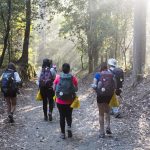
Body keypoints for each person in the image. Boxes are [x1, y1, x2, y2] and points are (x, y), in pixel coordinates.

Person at [53, 63, 78, 139]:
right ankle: (69, 128)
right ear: (69, 69)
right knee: (69, 115)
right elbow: (76, 89)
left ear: (62, 69)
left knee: (62, 116)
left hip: (60, 101)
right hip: (70, 100)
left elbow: (54, 88)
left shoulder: (58, 77)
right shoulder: (73, 78)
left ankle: (63, 134)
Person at [92, 62, 114, 138]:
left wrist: (96, 89)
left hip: (100, 96)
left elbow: (94, 85)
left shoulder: (97, 75)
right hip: (109, 96)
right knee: (107, 111)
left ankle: (102, 132)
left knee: (101, 113)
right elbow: (115, 85)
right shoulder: (111, 74)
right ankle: (108, 127)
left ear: (100, 67)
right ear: (107, 67)